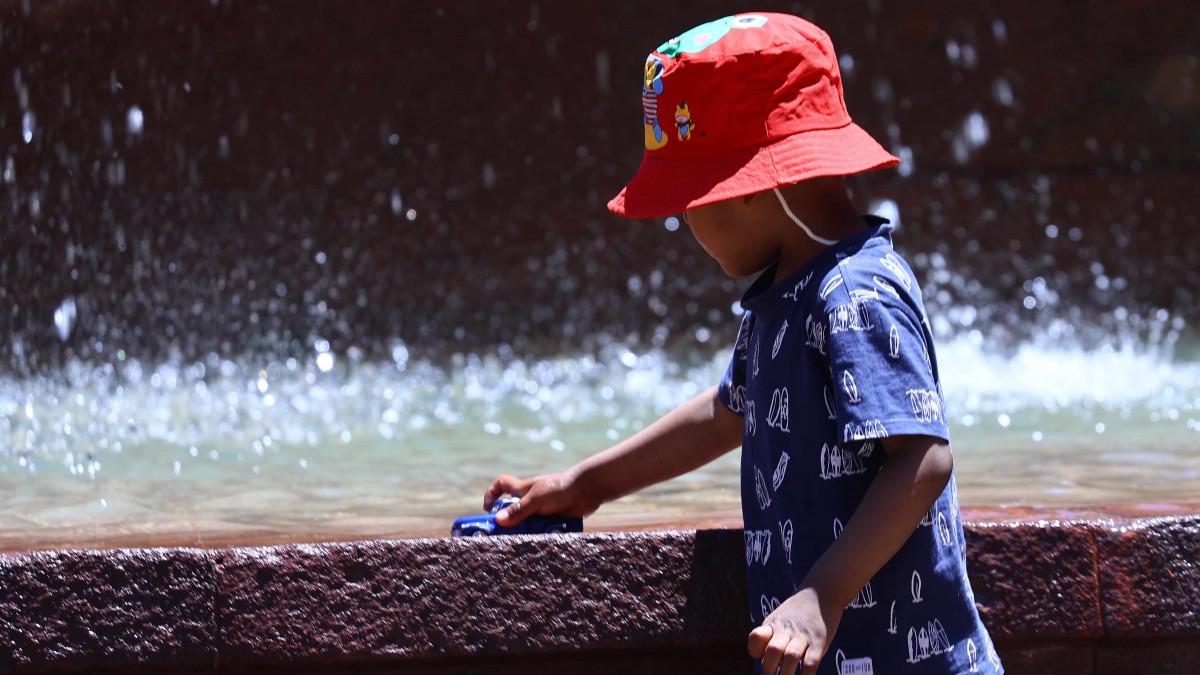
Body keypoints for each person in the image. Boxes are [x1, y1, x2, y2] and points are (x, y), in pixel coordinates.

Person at [485, 12, 1003, 675]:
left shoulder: (853, 293)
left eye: (691, 204)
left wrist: (824, 592)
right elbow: (730, 410)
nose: (687, 226)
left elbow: (923, 460)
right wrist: (587, 483)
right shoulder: (783, 295)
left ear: (761, 186)